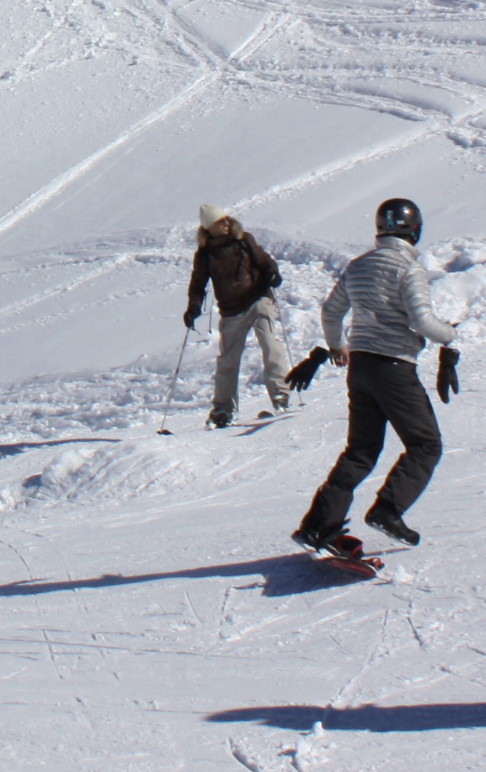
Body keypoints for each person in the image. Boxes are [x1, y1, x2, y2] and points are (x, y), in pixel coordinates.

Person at [290, 196, 461, 550]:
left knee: (361, 450)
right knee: (426, 444)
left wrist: (338, 346)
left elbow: (331, 311)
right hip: (394, 367)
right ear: (414, 230)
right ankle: (388, 510)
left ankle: (318, 524)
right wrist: (451, 334)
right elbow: (422, 321)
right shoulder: (407, 269)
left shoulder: (359, 266)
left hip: (361, 366)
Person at [184, 204, 288, 428]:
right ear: (209, 227)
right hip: (231, 310)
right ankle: (223, 408)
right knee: (228, 359)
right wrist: (193, 307)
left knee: (269, 342)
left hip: (258, 298)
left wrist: (273, 274)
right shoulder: (205, 255)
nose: (226, 223)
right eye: (220, 221)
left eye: (226, 219)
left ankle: (280, 393)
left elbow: (264, 260)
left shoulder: (244, 240)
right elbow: (198, 285)